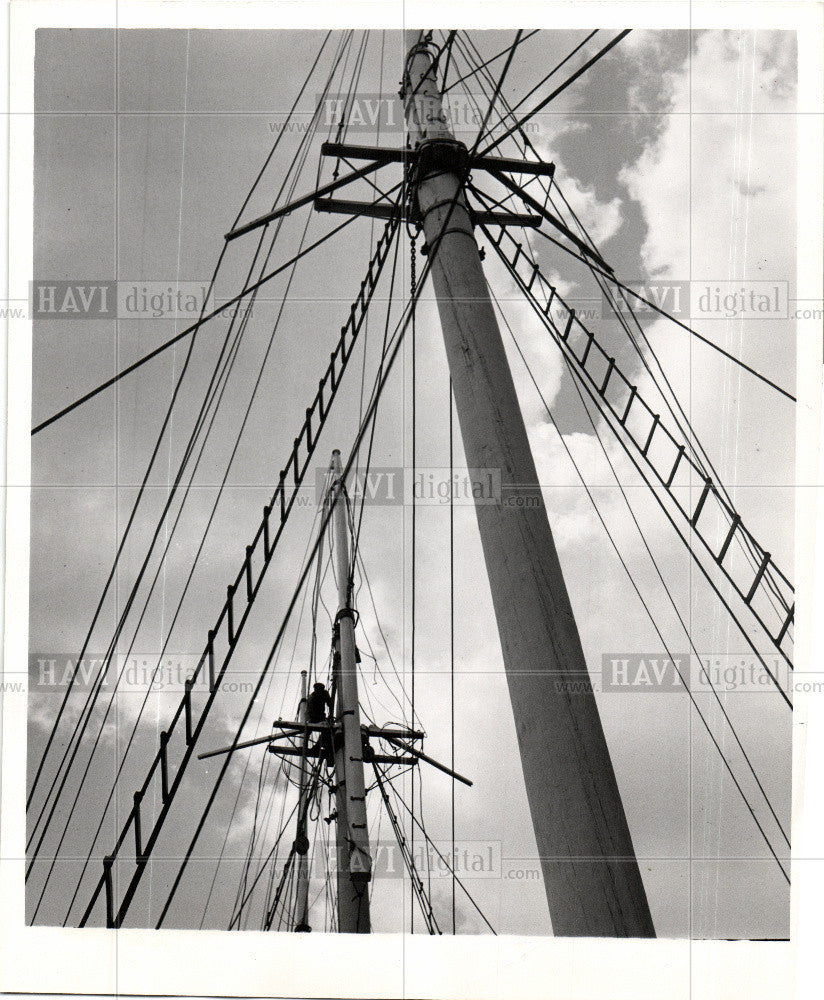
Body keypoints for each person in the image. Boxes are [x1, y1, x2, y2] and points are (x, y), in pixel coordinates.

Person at [306, 681, 335, 766]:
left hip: (321, 716)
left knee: (326, 731)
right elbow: (309, 710)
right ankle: (306, 747)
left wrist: (330, 715)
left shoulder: (324, 694)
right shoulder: (312, 697)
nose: (318, 691)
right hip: (313, 716)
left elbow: (330, 704)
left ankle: (317, 746)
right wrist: (311, 719)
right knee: (308, 731)